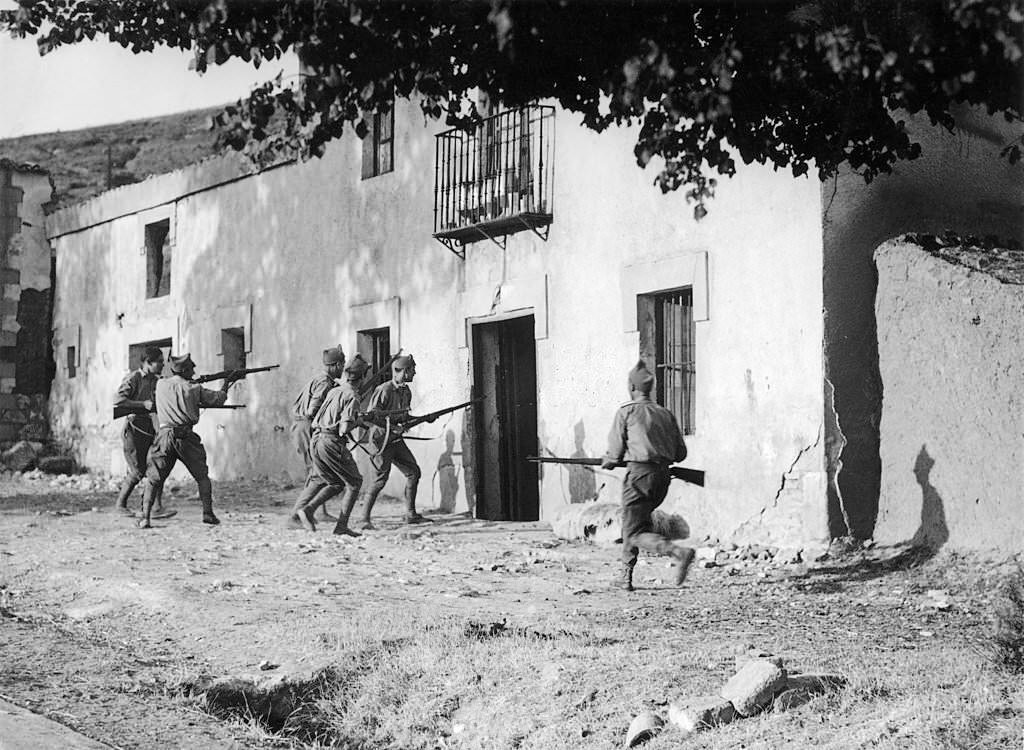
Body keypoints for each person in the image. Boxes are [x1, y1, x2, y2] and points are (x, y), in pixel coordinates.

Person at [602, 360, 695, 592]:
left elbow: (614, 453)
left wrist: (609, 460)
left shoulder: (626, 412)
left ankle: (677, 552)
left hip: (639, 477)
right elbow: (680, 454)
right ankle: (625, 574)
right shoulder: (665, 413)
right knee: (635, 525)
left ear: (632, 387)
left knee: (633, 532)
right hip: (662, 478)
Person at [137, 354, 241, 529]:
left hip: (163, 435)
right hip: (185, 436)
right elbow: (218, 399)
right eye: (191, 368)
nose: (194, 371)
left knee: (154, 478)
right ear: (184, 370)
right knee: (202, 477)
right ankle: (208, 513)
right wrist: (226, 382)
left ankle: (145, 518)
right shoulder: (194, 388)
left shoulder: (160, 384)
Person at [289, 354, 368, 535]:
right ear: (362, 377)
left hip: (317, 439)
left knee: (334, 482)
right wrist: (360, 420)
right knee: (355, 483)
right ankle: (341, 526)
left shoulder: (335, 391)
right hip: (331, 441)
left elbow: (318, 418)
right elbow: (344, 428)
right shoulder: (352, 396)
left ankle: (307, 510)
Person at [359, 353, 429, 528]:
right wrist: (393, 427)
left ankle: (410, 514)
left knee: (413, 472)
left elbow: (403, 416)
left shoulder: (406, 391)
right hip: (381, 440)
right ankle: (364, 519)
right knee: (379, 480)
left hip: (395, 439)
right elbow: (371, 417)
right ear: (403, 371)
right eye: (412, 369)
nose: (414, 373)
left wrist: (424, 418)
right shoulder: (384, 390)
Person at [112, 346, 176, 519]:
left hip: (149, 427)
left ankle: (156, 507)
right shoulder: (134, 378)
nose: (163, 365)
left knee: (157, 466)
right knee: (138, 470)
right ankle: (120, 504)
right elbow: (118, 400)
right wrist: (142, 405)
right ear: (148, 363)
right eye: (160, 362)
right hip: (134, 429)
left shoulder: (157, 380)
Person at [290, 346, 345, 522]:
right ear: (335, 365)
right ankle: (298, 516)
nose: (343, 369)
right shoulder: (324, 382)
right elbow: (313, 410)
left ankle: (317, 512)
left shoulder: (320, 379)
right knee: (316, 472)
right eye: (342, 364)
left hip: (304, 426)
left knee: (319, 471)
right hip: (308, 427)